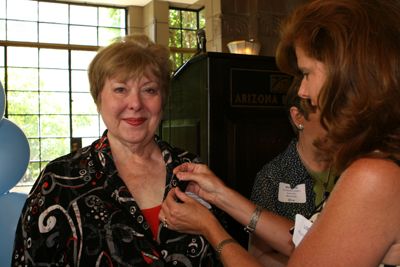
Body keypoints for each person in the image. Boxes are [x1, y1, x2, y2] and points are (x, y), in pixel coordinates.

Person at [159, 0, 400, 266]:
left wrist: (211, 229)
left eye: (307, 73)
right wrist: (219, 195)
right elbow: (310, 240)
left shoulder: (375, 175)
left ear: (348, 75)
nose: (302, 91)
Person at [12, 34, 223, 266]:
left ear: (163, 100)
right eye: (121, 89)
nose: (135, 103)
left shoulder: (190, 169)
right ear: (98, 98)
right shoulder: (60, 181)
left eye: (149, 90)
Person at [249, 80, 335, 266]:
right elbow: (258, 257)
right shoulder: (272, 177)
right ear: (298, 117)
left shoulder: (351, 171)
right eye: (328, 112)